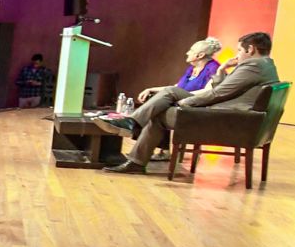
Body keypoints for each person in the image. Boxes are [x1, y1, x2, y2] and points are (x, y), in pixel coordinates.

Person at [97, 32, 278, 174]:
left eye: (240, 50)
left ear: (251, 49)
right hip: (232, 115)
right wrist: (223, 69)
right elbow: (222, 88)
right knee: (168, 96)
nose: (238, 54)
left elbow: (217, 93)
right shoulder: (266, 65)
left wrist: (186, 103)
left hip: (224, 118)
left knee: (161, 110)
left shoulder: (253, 66)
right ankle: (133, 133)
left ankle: (134, 140)